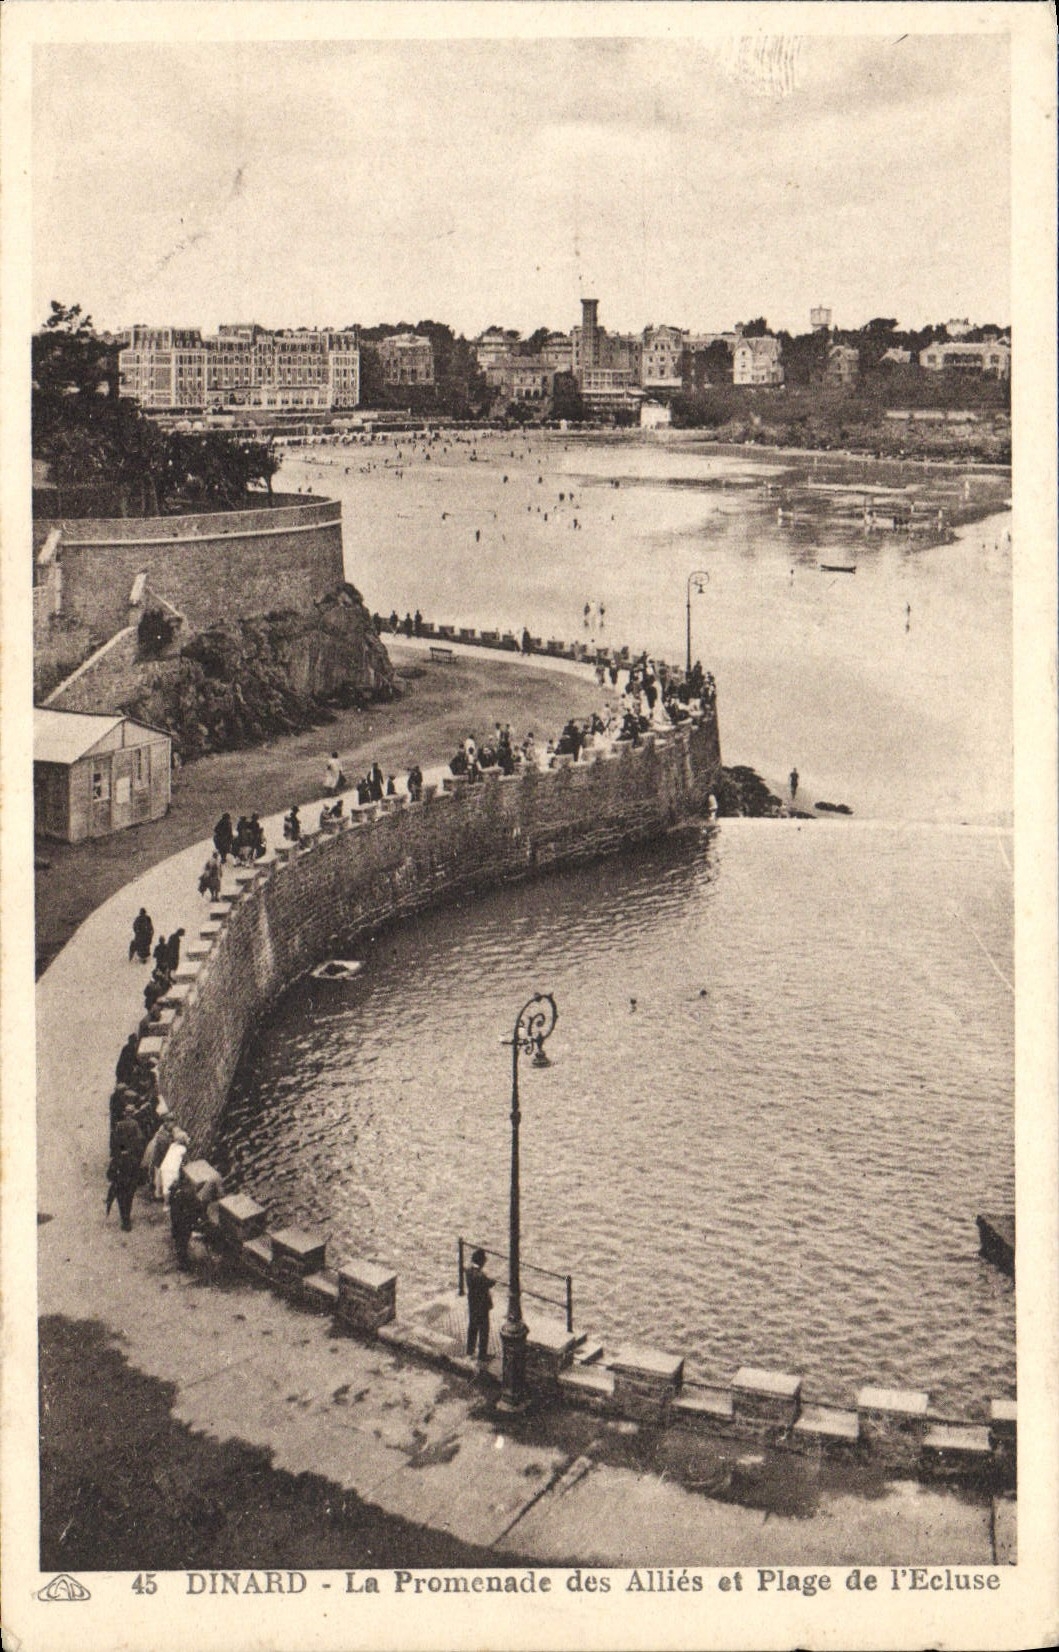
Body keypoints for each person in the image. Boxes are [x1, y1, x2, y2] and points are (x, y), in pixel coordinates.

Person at [106, 1103, 146, 1231]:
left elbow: (113, 1145)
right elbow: (140, 1143)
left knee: (120, 1191)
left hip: (120, 1164)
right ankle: (126, 1219)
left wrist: (120, 1152)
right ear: (133, 1113)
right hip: (131, 1163)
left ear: (125, 1113)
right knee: (129, 1193)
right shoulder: (135, 1126)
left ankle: (123, 1217)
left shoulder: (118, 1126)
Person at [465, 1248, 495, 1362]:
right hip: (482, 1307)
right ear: (481, 1262)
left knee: (472, 1327)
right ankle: (482, 1355)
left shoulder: (468, 1271)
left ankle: (470, 1351)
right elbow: (489, 1283)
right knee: (484, 1330)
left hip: (472, 1305)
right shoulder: (481, 1276)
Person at [169, 1174, 203, 1270]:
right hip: (183, 1222)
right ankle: (183, 1263)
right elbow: (196, 1207)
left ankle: (182, 1260)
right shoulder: (188, 1193)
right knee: (182, 1241)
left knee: (179, 1241)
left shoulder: (176, 1191)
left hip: (177, 1220)